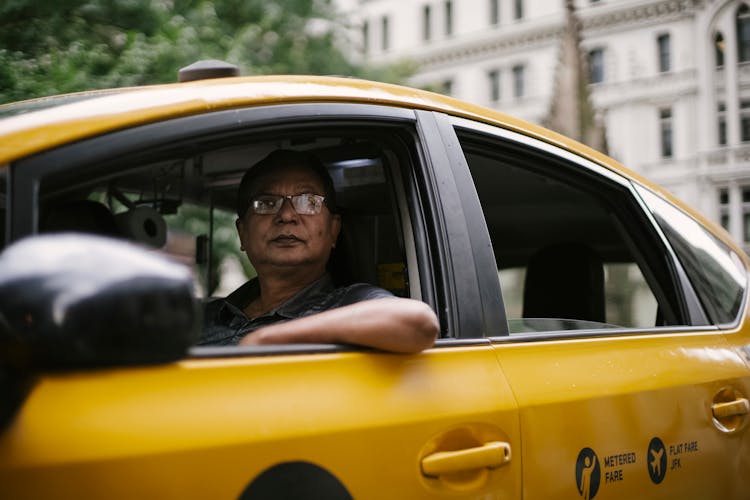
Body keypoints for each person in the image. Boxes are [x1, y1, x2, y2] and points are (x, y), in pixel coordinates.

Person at [199, 149, 439, 353]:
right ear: (242, 233)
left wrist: (267, 339)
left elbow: (419, 323)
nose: (287, 215)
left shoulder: (350, 304)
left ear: (334, 230)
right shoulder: (206, 314)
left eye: (308, 201)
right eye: (267, 203)